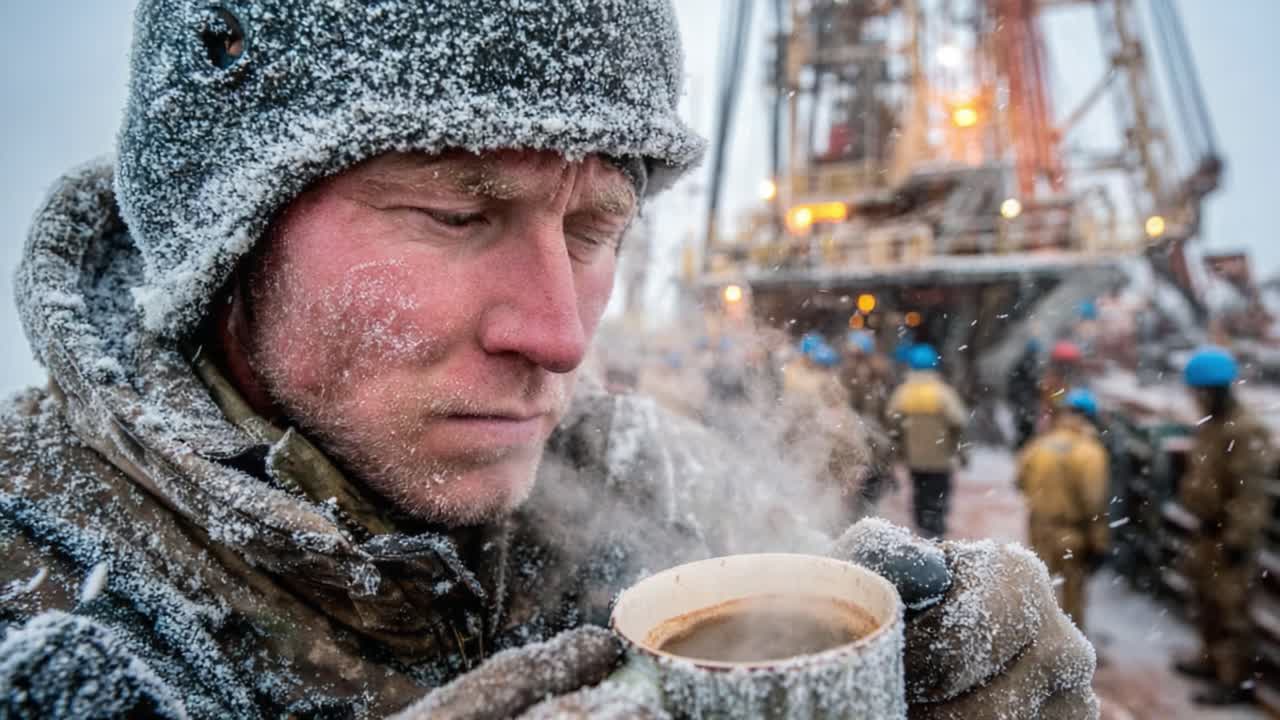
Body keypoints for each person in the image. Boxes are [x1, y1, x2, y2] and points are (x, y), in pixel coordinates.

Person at [0, 2, 1097, 718]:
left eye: (591, 232)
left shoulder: (658, 482)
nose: (561, 334)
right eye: (449, 212)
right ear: (223, 248)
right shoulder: (40, 586)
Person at [1173, 347, 1274, 706]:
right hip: (1206, 530)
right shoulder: (1212, 426)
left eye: (1201, 392)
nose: (1196, 399)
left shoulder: (1245, 431)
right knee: (1205, 600)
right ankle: (1210, 660)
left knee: (1232, 609)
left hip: (1228, 534)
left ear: (1217, 391)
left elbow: (1252, 493)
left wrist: (1237, 539)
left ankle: (1235, 680)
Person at [1017, 389, 1110, 631]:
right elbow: (1094, 502)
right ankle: (1071, 651)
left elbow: (1019, 480)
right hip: (1072, 534)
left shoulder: (1039, 444)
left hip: (1039, 528)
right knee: (1073, 597)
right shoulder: (1091, 452)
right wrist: (1099, 543)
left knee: (1040, 590)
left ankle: (1035, 645)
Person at [886, 344, 969, 539]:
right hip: (940, 461)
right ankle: (936, 535)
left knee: (919, 498)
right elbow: (958, 421)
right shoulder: (942, 393)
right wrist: (959, 449)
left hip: (915, 461)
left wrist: (901, 447)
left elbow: (892, 420)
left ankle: (922, 532)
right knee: (938, 501)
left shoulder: (903, 393)